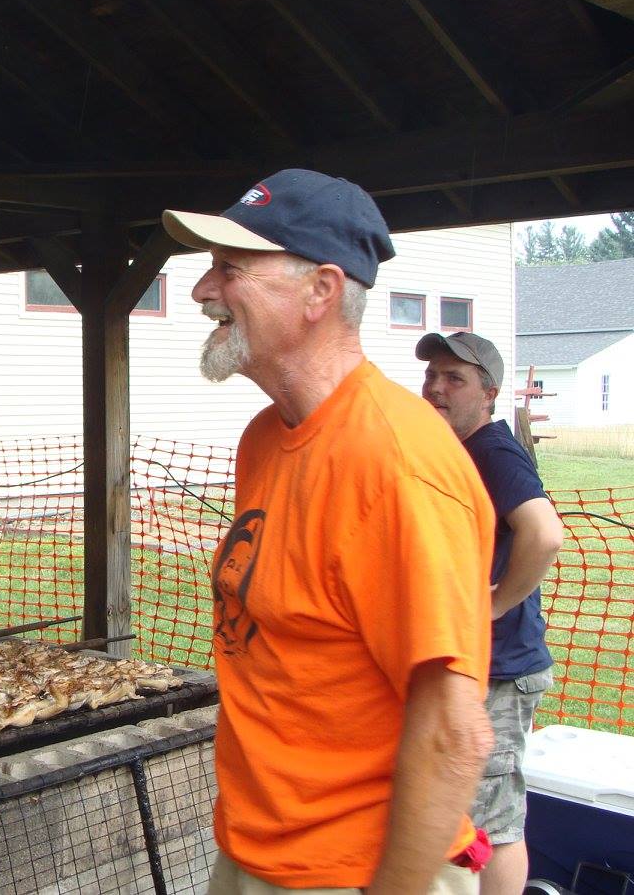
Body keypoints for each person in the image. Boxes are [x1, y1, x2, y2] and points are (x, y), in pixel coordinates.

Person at [162, 169, 496, 895]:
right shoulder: (264, 439)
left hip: (359, 873)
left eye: (230, 269)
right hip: (261, 854)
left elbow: (453, 734)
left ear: (320, 290)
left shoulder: (396, 463)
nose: (201, 291)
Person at [418, 331, 563, 895]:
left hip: (501, 669)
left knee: (492, 821)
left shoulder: (494, 452)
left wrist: (495, 604)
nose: (435, 388)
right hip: (472, 663)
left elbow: (545, 534)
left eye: (455, 379)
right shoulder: (459, 451)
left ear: (490, 394)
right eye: (432, 375)